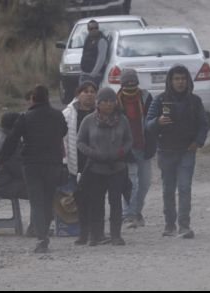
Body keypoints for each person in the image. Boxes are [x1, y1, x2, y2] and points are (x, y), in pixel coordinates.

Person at [0, 85, 68, 254]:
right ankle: (44, 231)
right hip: (53, 163)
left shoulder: (25, 117)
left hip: (32, 165)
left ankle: (41, 238)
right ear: (47, 98)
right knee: (48, 198)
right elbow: (64, 130)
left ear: (33, 99)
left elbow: (12, 139)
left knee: (36, 201)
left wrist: (1, 159)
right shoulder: (58, 115)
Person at [146, 65, 209, 239]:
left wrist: (198, 141)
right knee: (168, 189)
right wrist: (158, 122)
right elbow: (148, 125)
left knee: (184, 187)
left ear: (187, 80)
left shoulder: (195, 101)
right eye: (176, 79)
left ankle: (184, 225)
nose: (180, 82)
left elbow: (204, 124)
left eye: (183, 79)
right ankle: (169, 224)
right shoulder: (159, 100)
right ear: (170, 81)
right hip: (166, 151)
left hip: (187, 151)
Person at [77, 87, 132, 246]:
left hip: (117, 167)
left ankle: (116, 235)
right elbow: (80, 142)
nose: (109, 104)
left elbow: (129, 140)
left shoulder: (122, 120)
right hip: (96, 168)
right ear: (98, 103)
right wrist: (93, 153)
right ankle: (96, 235)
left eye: (112, 101)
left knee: (115, 202)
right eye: (105, 101)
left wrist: (121, 151)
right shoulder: (88, 120)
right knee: (96, 203)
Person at [117, 69, 154, 229]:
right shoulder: (115, 102)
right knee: (132, 183)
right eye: (127, 83)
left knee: (145, 183)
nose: (131, 86)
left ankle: (137, 212)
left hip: (144, 146)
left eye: (133, 83)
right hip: (127, 149)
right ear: (122, 84)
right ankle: (128, 215)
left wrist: (152, 144)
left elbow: (152, 121)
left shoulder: (146, 98)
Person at [62, 80, 98, 245]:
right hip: (75, 164)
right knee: (80, 200)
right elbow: (62, 139)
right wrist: (64, 161)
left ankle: (96, 233)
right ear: (78, 94)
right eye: (86, 91)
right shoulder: (68, 114)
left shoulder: (100, 112)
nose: (89, 94)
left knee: (96, 199)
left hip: (97, 163)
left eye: (92, 91)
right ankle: (82, 233)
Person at [0, 112, 28, 201]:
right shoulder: (9, 144)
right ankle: (43, 215)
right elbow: (19, 170)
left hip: (5, 181)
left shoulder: (6, 137)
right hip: (5, 185)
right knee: (42, 189)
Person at [80, 20, 108, 87]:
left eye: (96, 28)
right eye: (91, 28)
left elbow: (101, 59)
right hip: (85, 74)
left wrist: (93, 74)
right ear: (88, 30)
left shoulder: (101, 40)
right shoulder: (88, 38)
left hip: (94, 76)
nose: (94, 30)